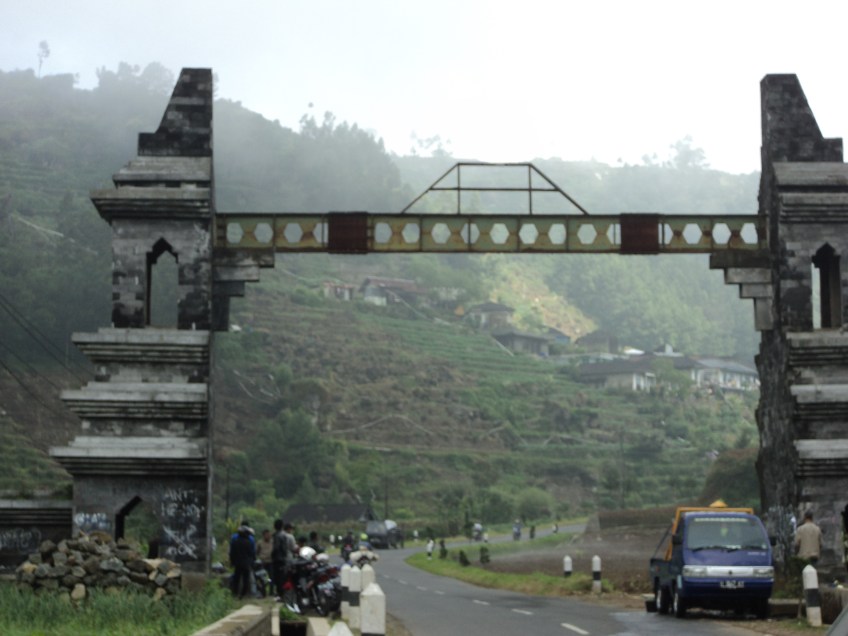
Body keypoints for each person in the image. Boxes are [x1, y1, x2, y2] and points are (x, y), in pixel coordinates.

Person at [229, 525, 255, 599]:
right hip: (246, 564)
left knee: (236, 579)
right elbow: (252, 554)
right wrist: (252, 562)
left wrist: (232, 562)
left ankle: (235, 593)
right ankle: (243, 594)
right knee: (245, 579)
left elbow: (232, 553)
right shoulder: (249, 543)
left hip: (237, 563)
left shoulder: (235, 542)